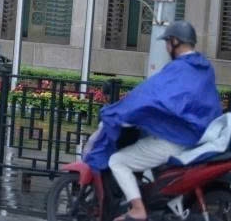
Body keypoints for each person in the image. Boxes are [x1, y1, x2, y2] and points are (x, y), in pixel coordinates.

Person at [85, 20, 221, 221]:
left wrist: (119, 112)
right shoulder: (203, 68)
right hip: (197, 140)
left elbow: (148, 97)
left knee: (117, 161)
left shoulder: (178, 70)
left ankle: (138, 209)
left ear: (175, 42)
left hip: (173, 141)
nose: (166, 47)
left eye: (167, 41)